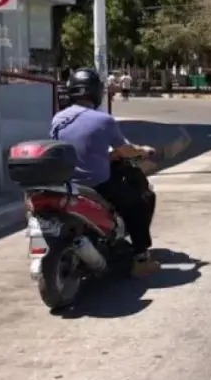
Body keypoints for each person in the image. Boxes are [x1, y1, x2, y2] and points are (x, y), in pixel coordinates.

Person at [50, 67, 160, 277]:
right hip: (97, 184)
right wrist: (144, 151)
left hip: (68, 183)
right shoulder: (102, 120)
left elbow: (76, 152)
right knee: (138, 204)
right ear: (96, 91)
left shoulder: (58, 119)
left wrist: (109, 157)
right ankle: (141, 259)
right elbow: (126, 150)